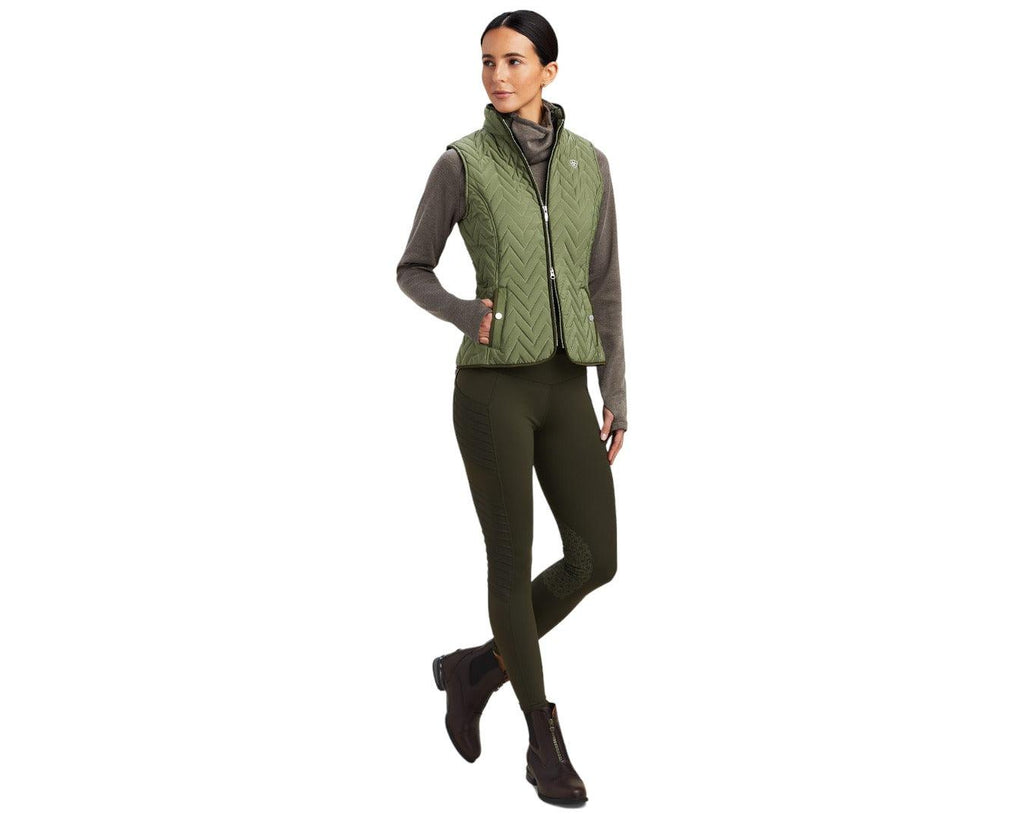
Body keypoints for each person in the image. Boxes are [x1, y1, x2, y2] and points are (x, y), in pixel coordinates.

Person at [396, 10, 627, 806]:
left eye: (515, 61)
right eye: (488, 61)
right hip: (493, 390)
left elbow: (604, 286)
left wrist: (615, 389)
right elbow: (412, 267)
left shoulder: (589, 164)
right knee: (509, 561)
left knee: (597, 557)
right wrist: (466, 313)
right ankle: (541, 739)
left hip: (567, 388)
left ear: (549, 72)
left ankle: (477, 668)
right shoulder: (461, 163)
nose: (498, 75)